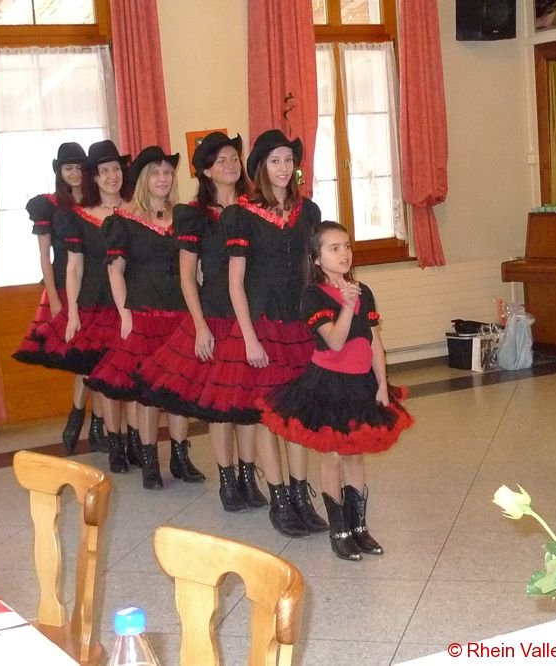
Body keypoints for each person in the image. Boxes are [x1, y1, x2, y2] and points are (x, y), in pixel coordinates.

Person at [260, 222, 413, 560]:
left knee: (355, 453)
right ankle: (339, 530)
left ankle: (359, 527)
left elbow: (374, 342)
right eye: (334, 248)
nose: (344, 253)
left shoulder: (363, 291)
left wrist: (382, 385)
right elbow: (334, 340)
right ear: (316, 258)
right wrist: (346, 305)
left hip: (361, 384)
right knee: (332, 455)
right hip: (328, 385)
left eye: (346, 246)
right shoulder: (313, 296)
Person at [135, 132, 266, 512]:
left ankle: (248, 476)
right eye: (221, 160)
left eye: (234, 158)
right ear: (206, 170)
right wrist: (200, 327)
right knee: (222, 406)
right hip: (215, 315)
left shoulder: (255, 207)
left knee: (248, 404)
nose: (230, 165)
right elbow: (187, 277)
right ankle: (227, 481)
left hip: (253, 314)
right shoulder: (194, 215)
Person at [209, 129, 327, 537]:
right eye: (275, 161)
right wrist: (249, 337)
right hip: (261, 324)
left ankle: (299, 496)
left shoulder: (308, 211)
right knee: (267, 418)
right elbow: (235, 282)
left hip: (298, 325)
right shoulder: (241, 215)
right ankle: (278, 499)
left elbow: (317, 269)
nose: (283, 168)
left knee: (297, 415)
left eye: (288, 160)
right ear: (261, 167)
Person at [85, 146, 203, 488]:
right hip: (145, 316)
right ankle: (150, 460)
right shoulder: (124, 221)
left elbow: (193, 269)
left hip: (180, 314)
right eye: (155, 173)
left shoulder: (184, 217)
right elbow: (115, 272)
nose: (163, 179)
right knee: (147, 393)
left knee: (179, 391)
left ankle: (180, 456)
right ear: (143, 180)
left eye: (167, 173)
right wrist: (126, 316)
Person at [12, 142, 106, 452]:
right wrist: (53, 298)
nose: (75, 173)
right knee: (83, 360)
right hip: (66, 289)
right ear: (59, 171)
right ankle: (77, 417)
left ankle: (98, 426)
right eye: (69, 168)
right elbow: (44, 256)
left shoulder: (99, 202)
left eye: (79, 167)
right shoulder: (48, 205)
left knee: (101, 359)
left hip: (100, 289)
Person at [46, 139, 131, 456]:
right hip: (90, 295)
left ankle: (105, 430)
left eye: (115, 169)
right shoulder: (68, 212)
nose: (111, 175)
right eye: (103, 170)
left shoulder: (133, 208)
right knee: (91, 364)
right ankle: (80, 416)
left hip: (129, 295)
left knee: (122, 368)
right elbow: (70, 266)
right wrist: (67, 309)